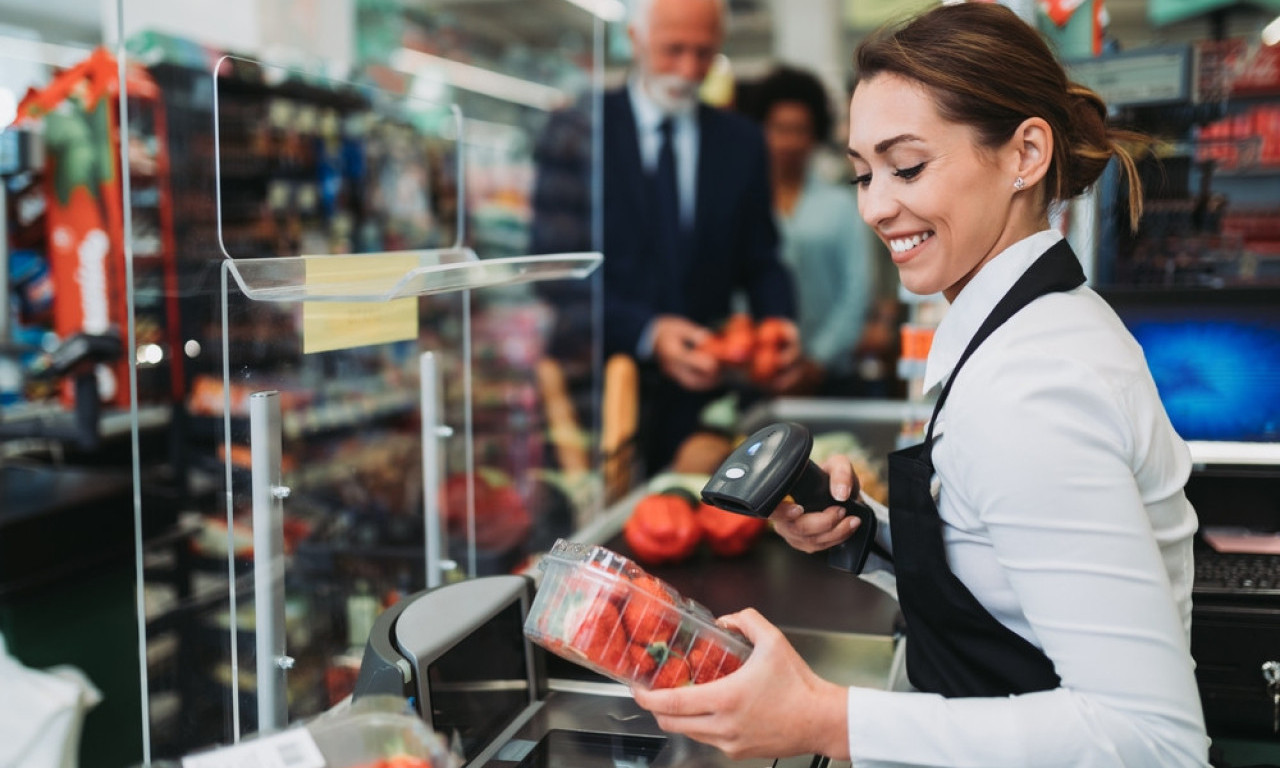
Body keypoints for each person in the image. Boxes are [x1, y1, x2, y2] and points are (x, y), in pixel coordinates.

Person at [632, 4, 1210, 766]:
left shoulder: (1032, 391)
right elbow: (1010, 576)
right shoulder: (1024, 326)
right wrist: (868, 535)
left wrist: (825, 720)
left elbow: (1150, 742)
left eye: (907, 167)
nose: (874, 206)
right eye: (864, 173)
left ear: (1024, 153)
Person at [602, 0, 802, 473]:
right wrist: (649, 334)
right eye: (673, 50)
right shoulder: (583, 130)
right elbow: (557, 271)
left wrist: (780, 323)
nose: (689, 69)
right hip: (603, 397)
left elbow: (761, 257)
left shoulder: (741, 142)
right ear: (635, 39)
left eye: (704, 52)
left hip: (707, 402)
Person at [740, 65, 875, 396]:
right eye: (778, 128)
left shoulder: (841, 204)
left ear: (815, 133)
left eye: (800, 129)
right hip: (755, 376)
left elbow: (856, 289)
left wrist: (816, 361)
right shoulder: (741, 206)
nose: (789, 141)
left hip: (831, 380)